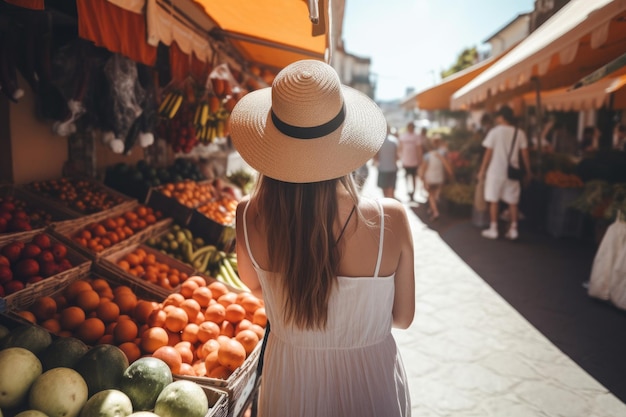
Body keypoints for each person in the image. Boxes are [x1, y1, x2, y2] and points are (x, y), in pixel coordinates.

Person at [230, 60, 414, 417]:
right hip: (370, 385)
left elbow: (257, 289)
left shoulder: (247, 214)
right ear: (344, 141)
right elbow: (402, 317)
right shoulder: (390, 218)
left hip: (290, 383)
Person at [477, 105, 532, 240]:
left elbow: (488, 154)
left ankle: (494, 228)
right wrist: (529, 171)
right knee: (513, 202)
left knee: (494, 200)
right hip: (513, 172)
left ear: (501, 117)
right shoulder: (519, 133)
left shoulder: (495, 132)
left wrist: (482, 170)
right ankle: (513, 229)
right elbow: (525, 154)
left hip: (495, 172)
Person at [419, 135, 454, 221]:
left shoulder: (427, 156)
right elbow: (447, 167)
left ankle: (435, 212)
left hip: (430, 178)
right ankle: (432, 208)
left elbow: (423, 169)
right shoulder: (442, 154)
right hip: (439, 178)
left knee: (431, 195)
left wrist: (422, 178)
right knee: (435, 195)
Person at [398, 121, 424, 201]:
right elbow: (400, 148)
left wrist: (420, 159)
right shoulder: (403, 136)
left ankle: (413, 192)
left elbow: (419, 149)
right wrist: (400, 158)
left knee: (414, 177)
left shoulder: (416, 137)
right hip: (406, 160)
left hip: (414, 161)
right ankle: (408, 190)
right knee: (406, 177)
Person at [373, 125, 399, 198]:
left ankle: (387, 203)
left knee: (384, 188)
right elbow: (397, 156)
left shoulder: (378, 142)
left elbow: (376, 157)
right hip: (393, 167)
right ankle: (392, 202)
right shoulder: (395, 141)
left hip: (382, 168)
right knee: (391, 188)